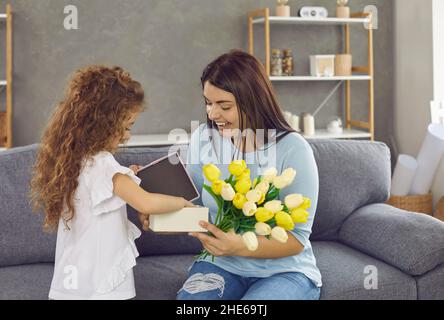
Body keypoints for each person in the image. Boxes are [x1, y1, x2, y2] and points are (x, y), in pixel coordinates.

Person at [30, 65, 194, 300]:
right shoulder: (105, 165)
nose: (127, 135)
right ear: (104, 123)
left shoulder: (73, 162)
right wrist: (181, 203)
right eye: (126, 126)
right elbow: (145, 203)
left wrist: (127, 175)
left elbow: (102, 190)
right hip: (101, 280)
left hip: (72, 277)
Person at [177, 50, 322, 300]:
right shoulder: (203, 137)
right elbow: (197, 207)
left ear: (252, 101)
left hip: (285, 271)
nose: (212, 114)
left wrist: (241, 246)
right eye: (208, 103)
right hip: (221, 264)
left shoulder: (293, 149)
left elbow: (297, 238)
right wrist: (161, 215)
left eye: (224, 106)